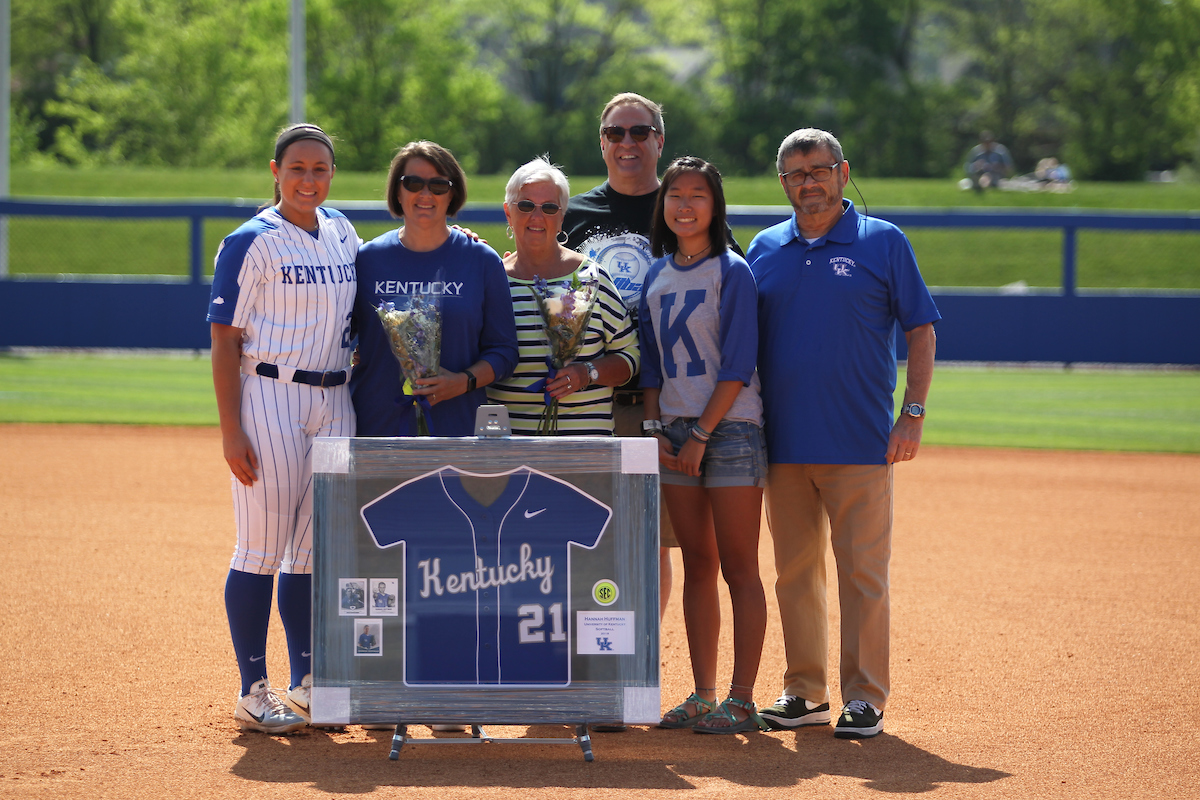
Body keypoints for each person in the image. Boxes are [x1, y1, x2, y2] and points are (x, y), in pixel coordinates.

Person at [747, 128, 939, 739]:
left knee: (863, 576)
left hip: (859, 440)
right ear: (783, 183)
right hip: (782, 444)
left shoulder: (883, 241)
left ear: (842, 170)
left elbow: (921, 330)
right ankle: (805, 691)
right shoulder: (765, 248)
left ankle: (864, 697)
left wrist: (912, 414)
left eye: (820, 169)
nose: (809, 181)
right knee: (794, 575)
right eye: (796, 173)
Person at [564, 92, 743, 625]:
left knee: (652, 541)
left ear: (659, 142)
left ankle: (635, 665)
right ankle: (583, 669)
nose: (627, 143)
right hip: (585, 399)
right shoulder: (573, 213)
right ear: (601, 143)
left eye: (639, 132)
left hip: (660, 401)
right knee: (583, 535)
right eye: (616, 133)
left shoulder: (686, 206)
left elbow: (727, 280)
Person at [207, 123, 359, 734]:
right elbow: (223, 341)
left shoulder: (344, 232)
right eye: (297, 168)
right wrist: (229, 430)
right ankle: (252, 689)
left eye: (319, 169)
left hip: (336, 397)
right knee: (261, 548)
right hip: (270, 395)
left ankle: (307, 683)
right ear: (275, 170)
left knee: (311, 552)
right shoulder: (250, 242)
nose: (308, 179)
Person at [640, 157, 768, 735]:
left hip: (729, 430)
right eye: (675, 195)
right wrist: (653, 428)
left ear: (715, 207)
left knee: (739, 567)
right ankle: (703, 693)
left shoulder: (732, 271)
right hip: (671, 433)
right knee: (697, 564)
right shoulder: (655, 275)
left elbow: (738, 364)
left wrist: (701, 434)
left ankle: (742, 699)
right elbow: (649, 367)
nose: (685, 205)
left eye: (697, 195)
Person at [350, 141, 519, 437]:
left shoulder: (481, 261)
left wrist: (463, 380)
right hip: (377, 428)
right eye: (413, 183)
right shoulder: (367, 259)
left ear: (452, 194)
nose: (425, 194)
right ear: (397, 192)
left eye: (438, 185)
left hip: (457, 429)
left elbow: (504, 352)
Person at [486, 156, 639, 433]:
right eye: (526, 205)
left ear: (561, 217)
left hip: (586, 452)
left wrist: (587, 373)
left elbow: (630, 356)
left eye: (548, 207)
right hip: (508, 451)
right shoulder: (491, 280)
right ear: (508, 213)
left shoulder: (592, 278)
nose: (536, 216)